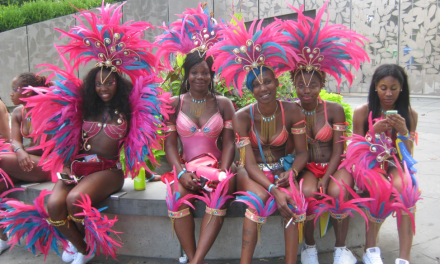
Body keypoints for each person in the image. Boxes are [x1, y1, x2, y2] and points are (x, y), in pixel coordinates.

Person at [0, 3, 169, 264]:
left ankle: (79, 248)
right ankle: (82, 246)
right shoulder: (81, 108)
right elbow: (65, 136)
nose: (104, 87)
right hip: (75, 167)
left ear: (118, 84)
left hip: (107, 171)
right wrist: (66, 165)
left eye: (110, 82)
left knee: (76, 200)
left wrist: (145, 172)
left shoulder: (130, 110)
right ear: (91, 84)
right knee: (54, 206)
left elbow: (136, 145)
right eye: (99, 82)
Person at [208, 16, 309, 264]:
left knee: (294, 202)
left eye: (267, 82)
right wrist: (274, 189)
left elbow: (303, 153)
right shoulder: (242, 118)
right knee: (257, 201)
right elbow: (249, 165)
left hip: (282, 171)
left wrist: (293, 173)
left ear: (277, 82)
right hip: (248, 172)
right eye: (256, 85)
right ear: (250, 90)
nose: (263, 88)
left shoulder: (293, 111)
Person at [279, 2, 370, 264]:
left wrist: (326, 177)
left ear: (322, 84)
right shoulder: (290, 110)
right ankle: (309, 248)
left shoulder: (334, 110)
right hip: (307, 167)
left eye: (313, 85)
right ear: (294, 84)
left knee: (338, 191)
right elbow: (293, 150)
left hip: (334, 164)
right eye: (300, 85)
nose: (306, 90)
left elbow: (339, 150)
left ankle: (341, 249)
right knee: (305, 195)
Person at [157, 5, 236, 264]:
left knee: (219, 195)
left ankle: (195, 261)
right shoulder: (174, 103)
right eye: (195, 72)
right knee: (175, 197)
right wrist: (180, 172)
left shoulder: (224, 104)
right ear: (186, 74)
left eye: (205, 72)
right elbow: (170, 145)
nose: (200, 76)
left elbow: (229, 144)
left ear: (212, 74)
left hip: (218, 167)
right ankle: (193, 258)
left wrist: (223, 173)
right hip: (187, 168)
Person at [339, 64, 418, 264]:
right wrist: (372, 133)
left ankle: (404, 258)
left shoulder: (409, 114)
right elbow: (354, 153)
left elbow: (408, 155)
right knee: (379, 187)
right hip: (368, 163)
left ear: (402, 88)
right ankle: (370, 249)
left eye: (394, 88)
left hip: (394, 163)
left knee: (406, 189)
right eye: (383, 87)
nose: (388, 93)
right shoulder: (363, 112)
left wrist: (403, 133)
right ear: (375, 86)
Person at [0, 72, 52, 254]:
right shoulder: (17, 112)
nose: (10, 94)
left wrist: (22, 153)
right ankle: (3, 235)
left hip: (48, 164)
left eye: (15, 89)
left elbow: (49, 147)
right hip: (28, 162)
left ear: (29, 92)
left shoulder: (48, 109)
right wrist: (20, 151)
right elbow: (15, 141)